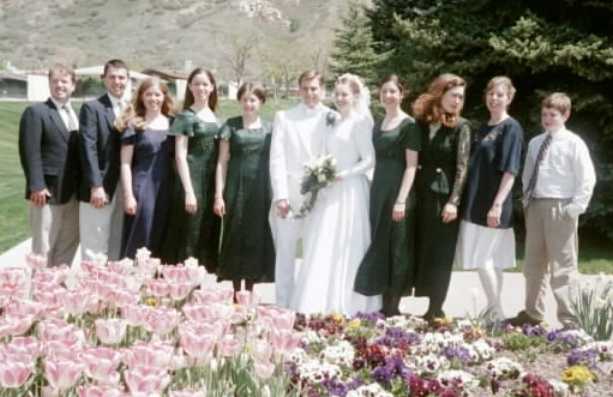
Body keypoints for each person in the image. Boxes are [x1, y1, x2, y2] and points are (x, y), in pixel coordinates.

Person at [291, 73, 382, 316]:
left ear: (355, 96)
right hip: (330, 189)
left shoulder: (361, 122)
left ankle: (351, 303)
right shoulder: (333, 121)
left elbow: (369, 159)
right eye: (337, 94)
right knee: (323, 241)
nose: (340, 98)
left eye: (345, 94)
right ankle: (319, 301)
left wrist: (345, 174)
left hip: (350, 190)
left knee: (346, 243)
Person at [507, 92, 596, 328]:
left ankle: (570, 319)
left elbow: (586, 178)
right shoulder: (536, 142)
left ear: (565, 115)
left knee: (563, 266)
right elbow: (528, 173)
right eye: (544, 114)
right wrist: (527, 199)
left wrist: (574, 208)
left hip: (561, 206)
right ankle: (533, 313)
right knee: (533, 264)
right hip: (536, 204)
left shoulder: (574, 143)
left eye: (553, 115)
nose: (547, 119)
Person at [455, 76, 524, 321]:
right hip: (477, 201)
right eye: (491, 94)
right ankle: (494, 311)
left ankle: (497, 312)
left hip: (494, 205)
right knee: (491, 262)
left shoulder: (511, 128)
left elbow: (511, 171)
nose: (494, 98)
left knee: (484, 261)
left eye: (500, 95)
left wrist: (497, 205)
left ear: (509, 97)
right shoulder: (483, 128)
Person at [355, 75, 421, 317]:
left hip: (399, 193)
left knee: (399, 248)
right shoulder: (377, 124)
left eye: (393, 91)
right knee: (380, 243)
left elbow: (412, 166)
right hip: (378, 192)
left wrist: (401, 199)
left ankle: (394, 305)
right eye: (384, 91)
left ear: (401, 94)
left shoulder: (409, 125)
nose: (388, 96)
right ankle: (381, 303)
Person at [412, 73, 471, 321]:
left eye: (461, 97)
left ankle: (436, 308)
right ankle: (418, 298)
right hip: (421, 194)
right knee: (421, 247)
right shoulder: (423, 123)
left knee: (441, 253)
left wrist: (453, 202)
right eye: (453, 95)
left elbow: (462, 166)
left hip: (444, 197)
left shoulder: (462, 126)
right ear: (440, 94)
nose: (457, 101)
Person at [269, 70, 330, 308]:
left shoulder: (332, 116)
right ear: (298, 89)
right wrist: (281, 195)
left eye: (314, 88)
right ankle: (284, 305)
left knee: (317, 254)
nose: (310, 93)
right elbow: (277, 158)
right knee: (285, 253)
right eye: (305, 88)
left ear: (322, 90)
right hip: (291, 197)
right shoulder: (285, 117)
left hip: (323, 196)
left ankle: (312, 304)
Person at [214, 82, 275, 298]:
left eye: (253, 100)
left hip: (260, 190)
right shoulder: (230, 126)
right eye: (245, 99)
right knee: (234, 234)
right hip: (234, 187)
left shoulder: (270, 128)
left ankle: (249, 290)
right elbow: (222, 161)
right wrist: (218, 195)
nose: (248, 104)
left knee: (255, 236)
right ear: (239, 101)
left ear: (261, 102)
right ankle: (234, 291)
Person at [18, 63, 80, 267]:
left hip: (73, 192)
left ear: (73, 86)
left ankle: (58, 291)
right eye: (55, 81)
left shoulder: (75, 114)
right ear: (49, 85)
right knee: (43, 247)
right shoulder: (36, 112)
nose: (59, 86)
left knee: (68, 243)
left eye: (64, 82)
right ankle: (40, 292)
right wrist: (36, 185)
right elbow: (30, 151)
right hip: (46, 191)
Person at [160, 68, 220, 271]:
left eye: (205, 84)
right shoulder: (186, 116)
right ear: (190, 87)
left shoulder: (214, 116)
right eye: (196, 84)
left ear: (212, 87)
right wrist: (188, 191)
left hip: (210, 183)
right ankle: (180, 291)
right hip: (191, 181)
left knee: (204, 234)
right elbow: (180, 156)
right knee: (188, 235)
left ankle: (198, 291)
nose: (201, 88)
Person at [116, 77, 174, 259]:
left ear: (164, 97)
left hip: (167, 188)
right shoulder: (135, 125)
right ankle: (135, 281)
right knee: (141, 235)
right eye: (148, 94)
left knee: (163, 235)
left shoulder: (173, 124)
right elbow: (125, 163)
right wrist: (128, 196)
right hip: (142, 187)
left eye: (157, 94)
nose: (153, 99)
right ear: (141, 97)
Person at [78, 59, 130, 261]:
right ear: (104, 79)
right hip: (100, 186)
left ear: (127, 80)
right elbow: (88, 147)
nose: (117, 81)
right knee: (95, 246)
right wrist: (95, 185)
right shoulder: (92, 108)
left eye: (121, 77)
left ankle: (112, 290)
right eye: (112, 77)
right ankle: (91, 290)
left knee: (117, 242)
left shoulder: (131, 108)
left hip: (123, 185)